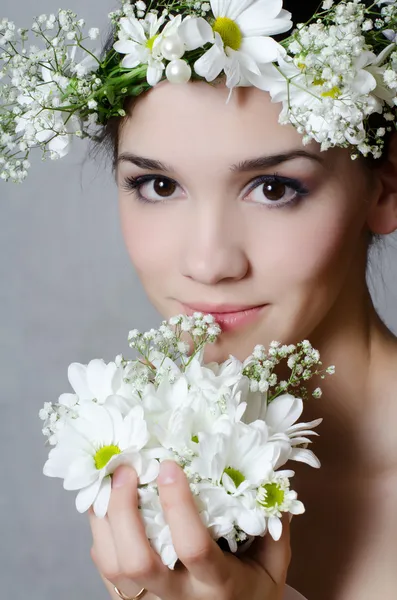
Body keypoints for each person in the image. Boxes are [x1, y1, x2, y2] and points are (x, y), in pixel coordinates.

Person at [3, 0, 397, 598]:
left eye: (273, 188)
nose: (209, 264)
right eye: (158, 186)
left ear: (385, 189)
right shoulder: (148, 469)